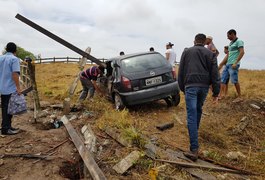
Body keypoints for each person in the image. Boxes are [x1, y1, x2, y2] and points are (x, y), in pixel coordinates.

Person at [178, 34, 220, 161]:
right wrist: (216, 92)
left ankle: (194, 149)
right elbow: (215, 74)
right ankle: (194, 138)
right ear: (204, 42)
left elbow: (181, 71)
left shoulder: (187, 52)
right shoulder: (210, 54)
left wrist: (182, 87)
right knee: (198, 111)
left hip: (190, 86)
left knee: (191, 115)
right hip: (204, 87)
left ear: (194, 41)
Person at [0, 42, 21, 135]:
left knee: (5, 107)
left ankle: (6, 126)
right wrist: (18, 87)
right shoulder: (14, 59)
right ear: (15, 51)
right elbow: (15, 74)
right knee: (9, 108)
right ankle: (6, 128)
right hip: (10, 88)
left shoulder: (1, 58)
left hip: (2, 87)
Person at [220, 29, 244, 102]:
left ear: (233, 34)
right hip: (227, 64)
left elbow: (242, 52)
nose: (227, 37)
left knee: (234, 80)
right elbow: (228, 54)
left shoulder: (239, 41)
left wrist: (236, 62)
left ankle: (240, 96)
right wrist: (221, 64)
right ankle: (221, 95)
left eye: (228, 36)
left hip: (233, 64)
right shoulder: (230, 43)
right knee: (223, 80)